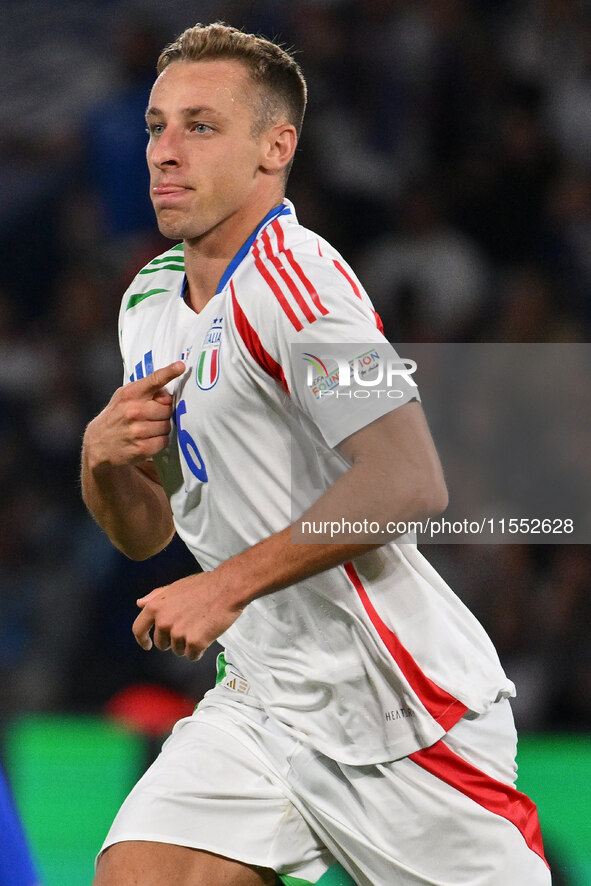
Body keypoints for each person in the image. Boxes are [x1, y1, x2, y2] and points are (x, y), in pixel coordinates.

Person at [81, 22, 551, 886]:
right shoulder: (147, 300)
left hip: (399, 712)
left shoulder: (301, 282)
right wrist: (101, 464)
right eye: (155, 126)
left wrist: (222, 585)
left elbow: (410, 482)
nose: (164, 152)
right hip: (262, 699)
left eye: (200, 126)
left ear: (275, 148)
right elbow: (146, 537)